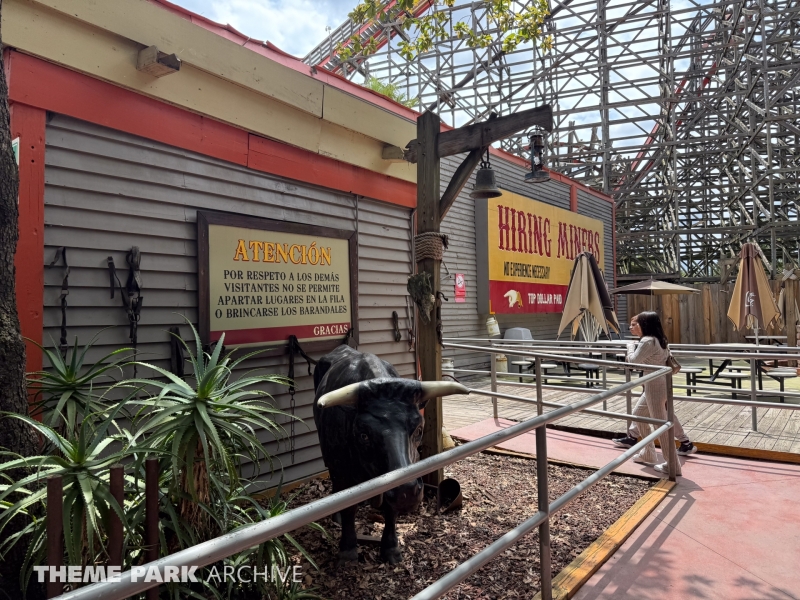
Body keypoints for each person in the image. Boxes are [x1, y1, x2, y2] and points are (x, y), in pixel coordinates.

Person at [612, 312, 694, 475]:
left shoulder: (647, 341)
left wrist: (629, 347)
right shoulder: (659, 338)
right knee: (639, 415)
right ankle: (648, 453)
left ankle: (672, 465)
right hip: (658, 384)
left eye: (637, 323)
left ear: (645, 325)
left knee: (660, 427)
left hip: (655, 387)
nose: (632, 326)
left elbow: (633, 362)